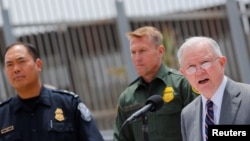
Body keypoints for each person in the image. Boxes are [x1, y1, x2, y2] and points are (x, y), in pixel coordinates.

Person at [0, 42, 104, 141]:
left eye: (21, 61)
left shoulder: (69, 104)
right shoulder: (2, 115)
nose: (16, 69)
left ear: (38, 64)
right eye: (9, 65)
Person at [113, 26, 199, 141]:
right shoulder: (127, 97)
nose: (137, 58)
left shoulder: (182, 84)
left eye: (142, 51)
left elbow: (201, 127)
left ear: (160, 51)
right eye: (133, 52)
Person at [177, 36, 250, 141]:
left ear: (221, 63)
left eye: (205, 63)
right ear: (184, 74)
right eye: (191, 67)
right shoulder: (187, 114)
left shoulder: (247, 98)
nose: (199, 72)